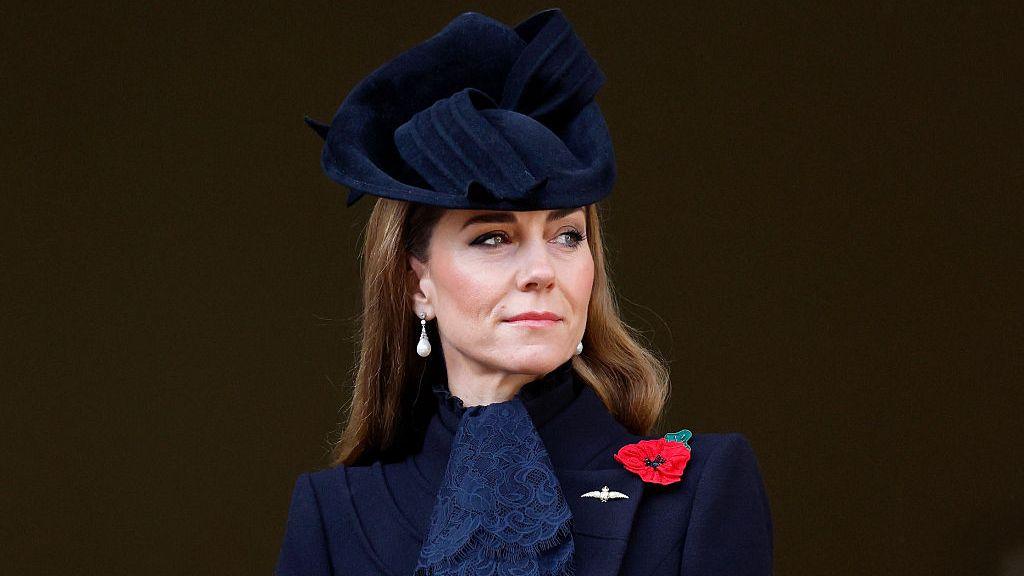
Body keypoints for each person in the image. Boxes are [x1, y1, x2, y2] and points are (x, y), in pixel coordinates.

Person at [276, 8, 772, 576]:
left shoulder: (700, 490)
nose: (542, 270)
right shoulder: (334, 512)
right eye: (492, 237)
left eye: (567, 235)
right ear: (418, 284)